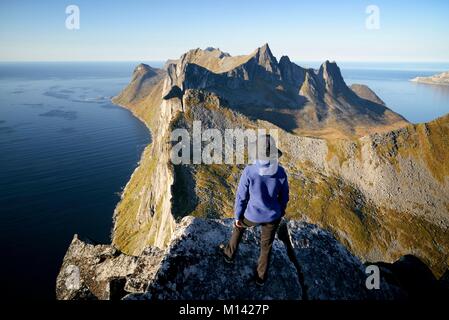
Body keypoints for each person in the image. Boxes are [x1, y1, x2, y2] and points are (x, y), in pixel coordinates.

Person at [219, 134, 289, 286]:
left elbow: (241, 197)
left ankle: (229, 255)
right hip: (272, 216)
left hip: (252, 215)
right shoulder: (281, 172)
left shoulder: (250, 171)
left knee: (238, 228)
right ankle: (261, 278)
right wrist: (281, 211)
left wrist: (238, 216)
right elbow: (284, 196)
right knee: (266, 246)